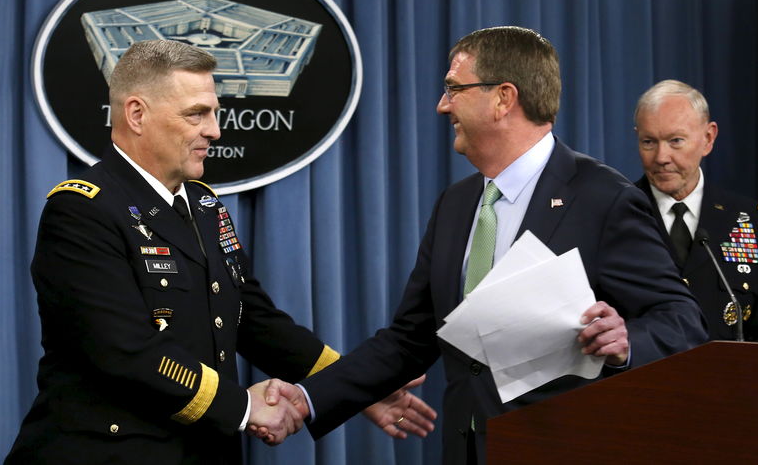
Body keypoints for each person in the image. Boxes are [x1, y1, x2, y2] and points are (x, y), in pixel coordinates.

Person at [261, 26, 709, 464]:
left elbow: (682, 320)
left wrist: (626, 340)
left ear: (503, 98)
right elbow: (409, 340)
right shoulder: (456, 204)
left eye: (454, 89)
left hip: (567, 445)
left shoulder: (602, 198)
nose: (442, 106)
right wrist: (306, 399)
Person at [5, 40, 435, 465]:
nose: (214, 130)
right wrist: (244, 408)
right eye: (196, 114)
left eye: (214, 113)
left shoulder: (204, 205)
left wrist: (349, 386)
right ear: (137, 114)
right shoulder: (82, 208)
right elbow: (125, 351)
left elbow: (252, 319)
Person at [634, 79, 758, 341]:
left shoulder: (755, 222)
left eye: (676, 141)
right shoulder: (616, 214)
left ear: (708, 138)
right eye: (648, 142)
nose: (661, 157)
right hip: (642, 379)